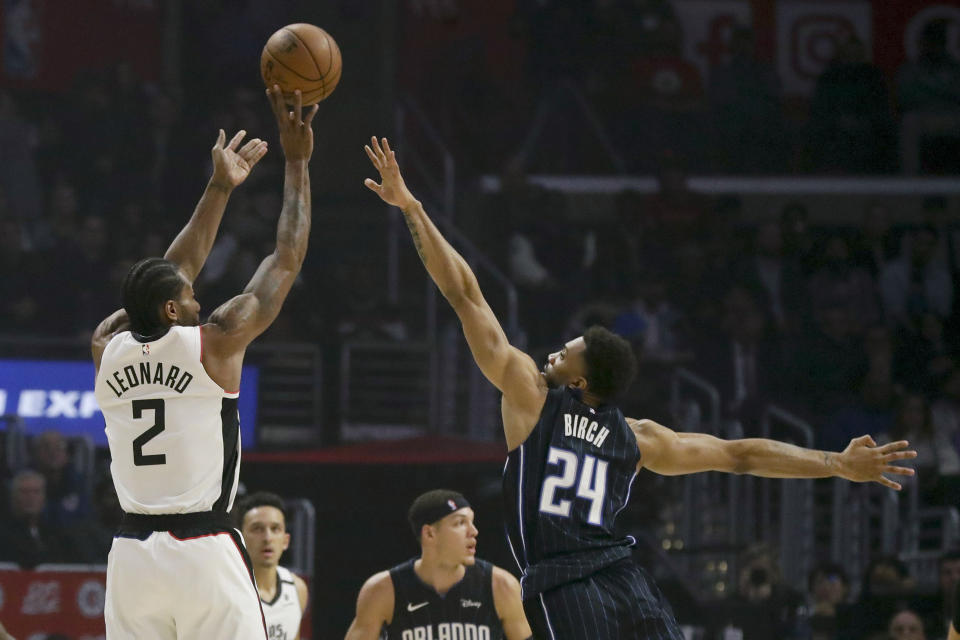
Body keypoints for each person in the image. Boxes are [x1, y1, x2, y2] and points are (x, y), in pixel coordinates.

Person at [362, 135, 918, 639]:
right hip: (625, 577)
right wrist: (834, 463)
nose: (553, 351)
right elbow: (740, 455)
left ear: (580, 379)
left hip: (563, 584)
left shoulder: (533, 398)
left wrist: (412, 207)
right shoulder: (637, 437)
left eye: (566, 351)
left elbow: (466, 294)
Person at [91, 86, 316, 639]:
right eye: (188, 298)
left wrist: (219, 186)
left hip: (132, 555)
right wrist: (297, 160)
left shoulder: (106, 346)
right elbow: (286, 258)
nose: (198, 299)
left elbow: (164, 277)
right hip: (202, 550)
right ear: (173, 308)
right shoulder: (216, 343)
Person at [344, 489, 532, 639]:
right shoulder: (383, 590)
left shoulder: (501, 586)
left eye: (472, 522)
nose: (473, 531)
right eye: (460, 523)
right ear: (429, 534)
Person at [235, 492, 309, 640]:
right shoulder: (229, 589)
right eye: (257, 529)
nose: (267, 538)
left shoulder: (297, 588)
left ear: (285, 541)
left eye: (275, 529)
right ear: (240, 539)